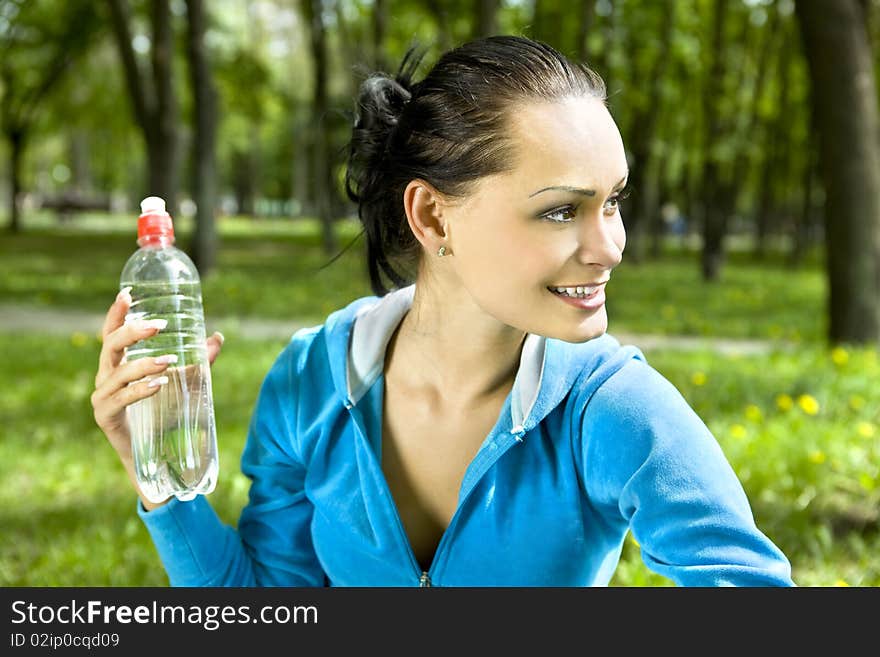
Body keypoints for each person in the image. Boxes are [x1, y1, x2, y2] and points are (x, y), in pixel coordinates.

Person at [90, 35, 795, 587]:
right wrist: (157, 478)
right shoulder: (311, 381)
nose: (610, 245)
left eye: (612, 201)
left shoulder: (609, 408)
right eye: (560, 210)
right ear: (432, 216)